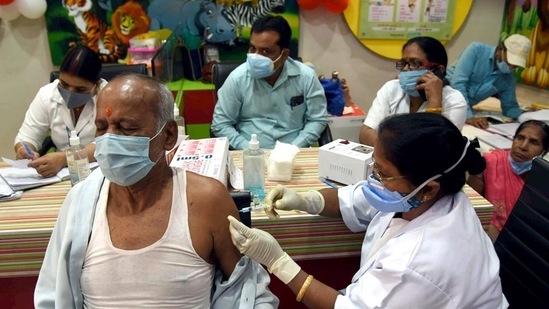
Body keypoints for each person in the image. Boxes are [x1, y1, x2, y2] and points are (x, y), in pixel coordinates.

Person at [34, 74, 278, 308]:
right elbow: (52, 295)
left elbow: (250, 292)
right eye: (101, 128)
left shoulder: (206, 200)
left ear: (169, 135)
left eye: (126, 128)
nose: (109, 140)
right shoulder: (80, 201)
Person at [228, 113, 508, 308]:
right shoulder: (424, 196)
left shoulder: (420, 261)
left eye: (382, 172)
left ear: (428, 188)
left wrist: (278, 261)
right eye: (374, 165)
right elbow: (357, 197)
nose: (374, 178)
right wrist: (304, 200)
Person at [211, 15, 328, 150]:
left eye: (266, 51)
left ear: (284, 54)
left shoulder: (306, 77)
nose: (256, 56)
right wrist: (250, 150)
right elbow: (221, 124)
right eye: (252, 48)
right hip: (249, 152)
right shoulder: (237, 78)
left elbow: (317, 119)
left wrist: (292, 149)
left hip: (294, 151)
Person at [14, 45, 106, 178]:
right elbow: (27, 137)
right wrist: (23, 149)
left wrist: (65, 159)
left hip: (99, 171)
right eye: (63, 84)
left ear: (96, 84)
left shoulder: (109, 96)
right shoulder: (47, 95)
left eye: (80, 89)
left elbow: (110, 144)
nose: (70, 93)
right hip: (59, 175)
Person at [359, 36, 467, 146]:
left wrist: (435, 102)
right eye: (403, 63)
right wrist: (401, 152)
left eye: (414, 63)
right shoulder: (392, 88)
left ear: (438, 70)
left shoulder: (454, 101)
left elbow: (433, 148)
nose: (405, 69)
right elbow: (366, 134)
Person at [468, 120, 549, 242]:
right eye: (520, 138)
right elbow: (469, 204)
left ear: (545, 151)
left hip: (520, 238)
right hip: (484, 231)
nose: (523, 146)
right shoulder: (491, 162)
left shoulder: (541, 179)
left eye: (534, 142)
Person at [445, 34, 532, 129]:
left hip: (463, 109)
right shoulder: (476, 50)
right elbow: (458, 83)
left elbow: (510, 108)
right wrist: (468, 116)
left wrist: (528, 116)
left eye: (515, 66)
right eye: (509, 61)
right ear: (500, 49)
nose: (510, 67)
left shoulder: (508, 77)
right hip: (444, 96)